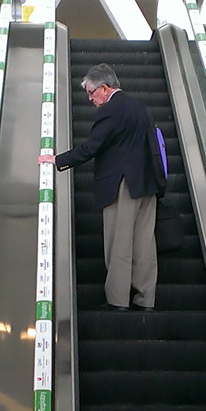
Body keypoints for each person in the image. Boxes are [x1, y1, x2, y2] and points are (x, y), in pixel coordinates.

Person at [38, 64, 158, 311]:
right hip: (147, 183)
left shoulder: (112, 110)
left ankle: (117, 300)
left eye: (92, 93)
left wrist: (58, 160)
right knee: (145, 243)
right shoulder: (139, 107)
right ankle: (145, 300)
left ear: (105, 88)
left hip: (122, 184)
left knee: (119, 242)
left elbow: (93, 146)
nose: (90, 99)